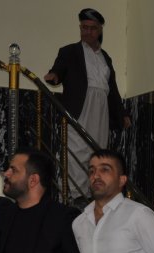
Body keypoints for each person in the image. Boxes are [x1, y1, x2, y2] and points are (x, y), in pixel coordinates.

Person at [44, 8, 130, 198]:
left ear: (100, 30)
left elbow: (112, 90)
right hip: (80, 107)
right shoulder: (69, 51)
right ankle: (76, 195)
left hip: (101, 109)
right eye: (84, 27)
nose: (87, 32)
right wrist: (54, 76)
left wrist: (122, 114)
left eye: (92, 28)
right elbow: (58, 70)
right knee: (77, 149)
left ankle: (93, 194)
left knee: (97, 149)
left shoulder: (106, 57)